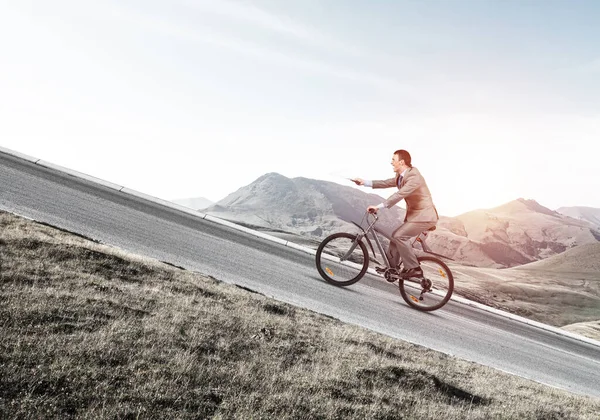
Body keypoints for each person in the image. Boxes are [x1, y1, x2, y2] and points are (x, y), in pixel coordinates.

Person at [351, 149, 438, 279]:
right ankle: (393, 269)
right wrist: (364, 182)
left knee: (399, 236)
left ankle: (414, 268)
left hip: (425, 217)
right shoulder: (401, 176)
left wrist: (379, 207)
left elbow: (400, 194)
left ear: (401, 162)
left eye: (393, 160)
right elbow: (386, 183)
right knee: (395, 238)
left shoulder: (414, 177)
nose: (391, 162)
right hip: (416, 216)